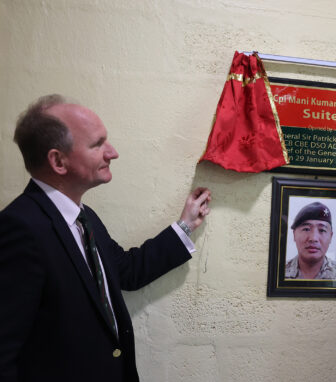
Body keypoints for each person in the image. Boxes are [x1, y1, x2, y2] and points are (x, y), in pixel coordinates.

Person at [0, 94, 212, 382]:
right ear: (58, 161)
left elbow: (126, 271)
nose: (112, 152)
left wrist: (185, 226)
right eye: (97, 144)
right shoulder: (20, 228)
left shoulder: (84, 218)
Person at [285, 201, 336, 280]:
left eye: (322, 230)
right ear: (294, 234)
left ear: (331, 236)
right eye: (306, 229)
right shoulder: (278, 271)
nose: (313, 238)